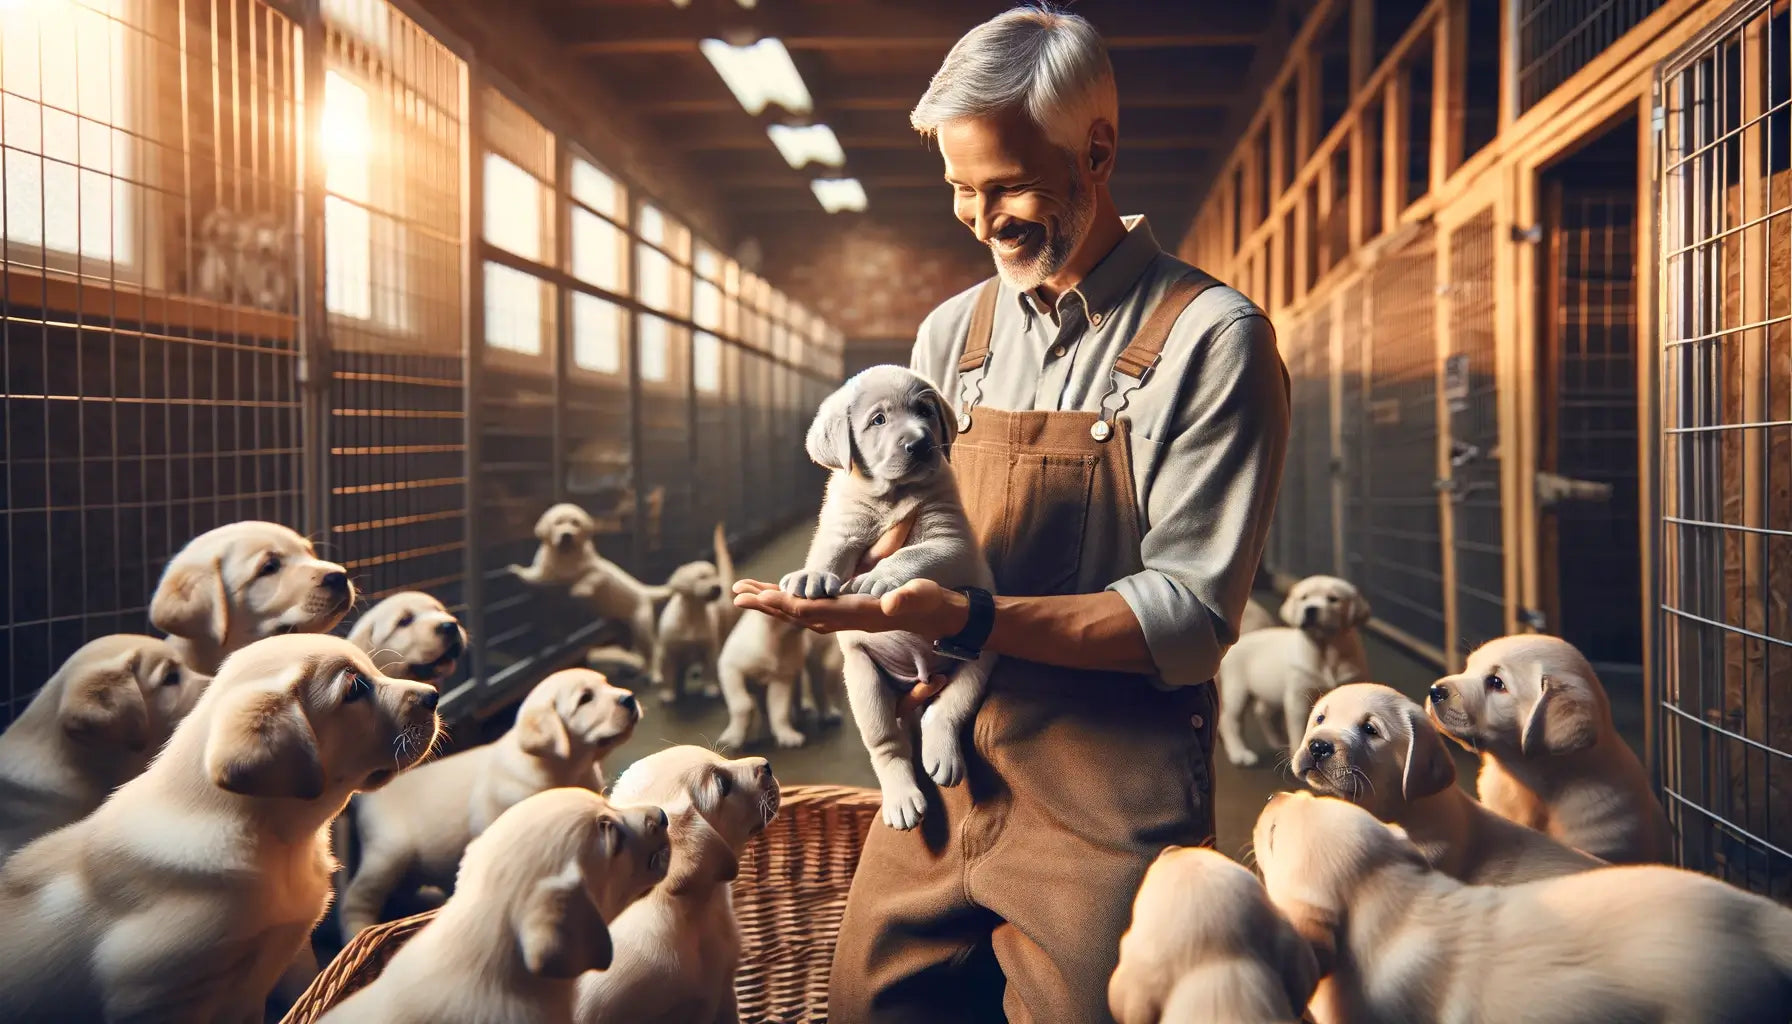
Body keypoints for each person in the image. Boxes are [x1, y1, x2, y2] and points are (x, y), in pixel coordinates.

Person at [732, 7, 1290, 1022]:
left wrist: (968, 619)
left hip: (1104, 790)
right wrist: (862, 602)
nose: (980, 216)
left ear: (1098, 150)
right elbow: (880, 508)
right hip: (947, 766)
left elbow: (1190, 614)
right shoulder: (952, 334)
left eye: (1006, 186)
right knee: (866, 1003)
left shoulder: (1213, 339)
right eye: (958, 186)